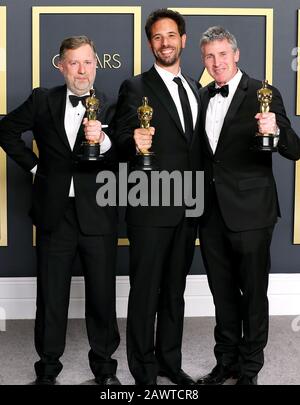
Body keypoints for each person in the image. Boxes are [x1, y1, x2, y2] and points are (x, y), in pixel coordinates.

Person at [0, 36, 121, 385]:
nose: (81, 70)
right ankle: (48, 371)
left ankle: (105, 370)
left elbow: (126, 153)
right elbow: (6, 130)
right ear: (61, 65)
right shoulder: (43, 99)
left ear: (96, 64)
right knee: (52, 296)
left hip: (98, 213)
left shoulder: (112, 105)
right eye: (73, 62)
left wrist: (105, 140)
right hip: (55, 214)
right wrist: (35, 168)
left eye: (87, 62)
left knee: (102, 295)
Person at [196, 26, 300, 385]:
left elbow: (294, 147)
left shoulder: (262, 93)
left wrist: (276, 128)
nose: (217, 62)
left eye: (223, 54)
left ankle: (249, 368)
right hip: (209, 212)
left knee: (253, 293)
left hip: (252, 212)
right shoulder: (203, 95)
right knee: (221, 292)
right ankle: (225, 361)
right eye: (210, 56)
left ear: (236, 55)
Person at [113, 9, 201, 385]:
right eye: (157, 37)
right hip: (149, 208)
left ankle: (169, 361)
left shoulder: (197, 87)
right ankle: (144, 370)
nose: (165, 43)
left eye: (171, 35)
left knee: (175, 293)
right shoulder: (135, 87)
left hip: (188, 208)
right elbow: (115, 144)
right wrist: (132, 142)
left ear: (183, 39)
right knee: (145, 292)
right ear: (150, 44)